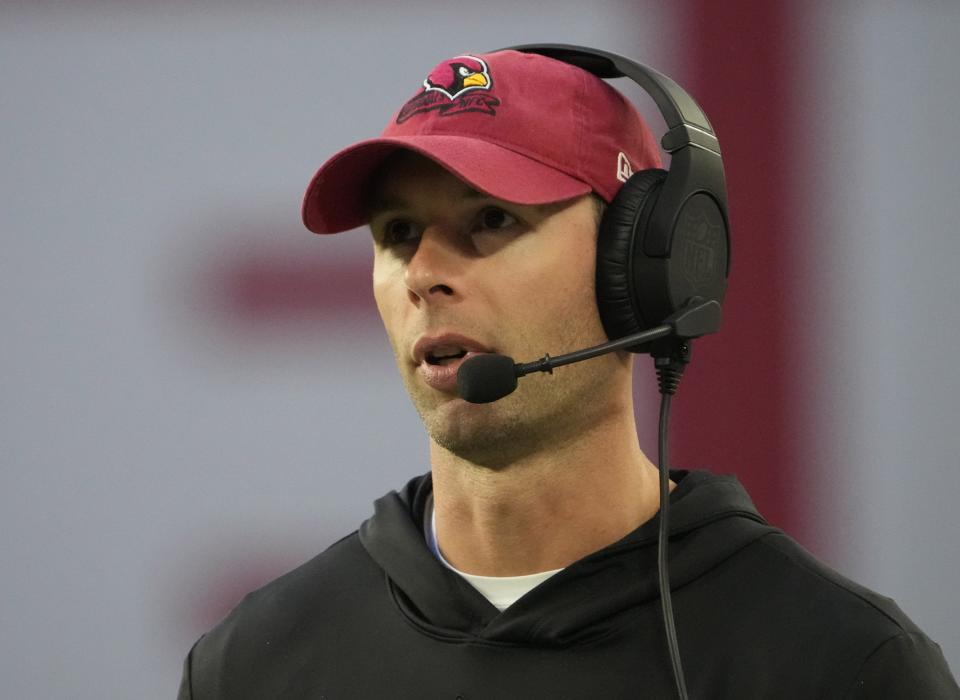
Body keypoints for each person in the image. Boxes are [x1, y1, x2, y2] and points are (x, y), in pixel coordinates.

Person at [177, 48, 959, 699]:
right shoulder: (251, 668)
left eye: (490, 219)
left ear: (641, 268)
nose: (423, 273)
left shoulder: (842, 668)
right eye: (398, 231)